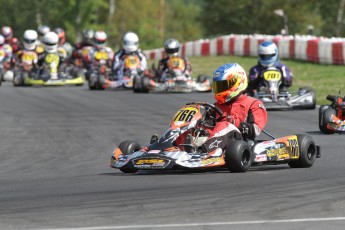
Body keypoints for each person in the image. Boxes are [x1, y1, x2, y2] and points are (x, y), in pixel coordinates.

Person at [175, 63, 267, 153]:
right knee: (192, 129)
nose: (219, 90)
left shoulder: (254, 104)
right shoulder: (216, 106)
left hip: (239, 143)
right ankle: (171, 147)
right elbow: (207, 125)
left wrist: (233, 122)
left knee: (226, 126)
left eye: (223, 86)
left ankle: (201, 152)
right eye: (218, 87)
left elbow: (255, 130)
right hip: (215, 140)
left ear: (236, 83)